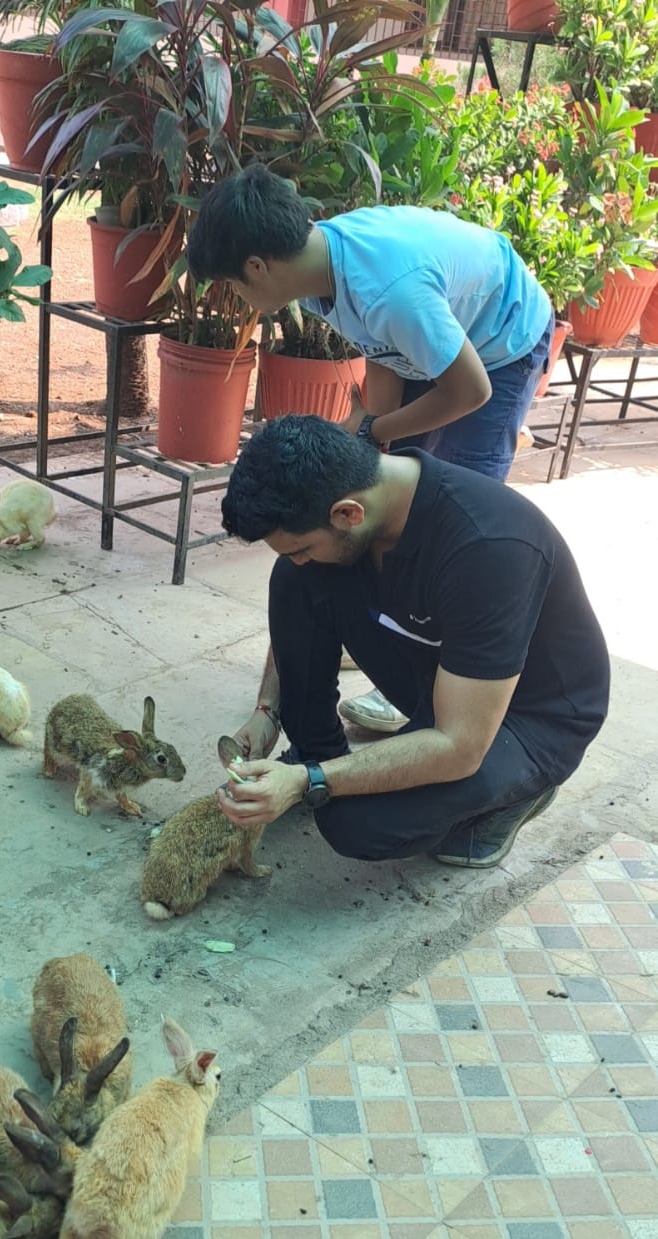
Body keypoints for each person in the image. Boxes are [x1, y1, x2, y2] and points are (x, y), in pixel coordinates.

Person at [187, 163, 555, 734]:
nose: (238, 297)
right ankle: (371, 633)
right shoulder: (321, 273)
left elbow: (470, 389)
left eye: (234, 285)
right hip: (437, 334)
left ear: (258, 267)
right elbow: (383, 369)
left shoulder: (388, 291)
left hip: (498, 346)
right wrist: (354, 438)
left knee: (447, 514)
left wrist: (376, 434)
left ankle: (431, 682)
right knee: (363, 486)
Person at [215, 416, 609, 869]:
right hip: (441, 669)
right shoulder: (365, 513)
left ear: (348, 513)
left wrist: (311, 782)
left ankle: (515, 796)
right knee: (294, 580)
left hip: (528, 719)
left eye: (301, 546)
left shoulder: (490, 546)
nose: (300, 558)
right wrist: (268, 711)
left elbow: (460, 744)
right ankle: (313, 754)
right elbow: (301, 586)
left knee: (353, 823)